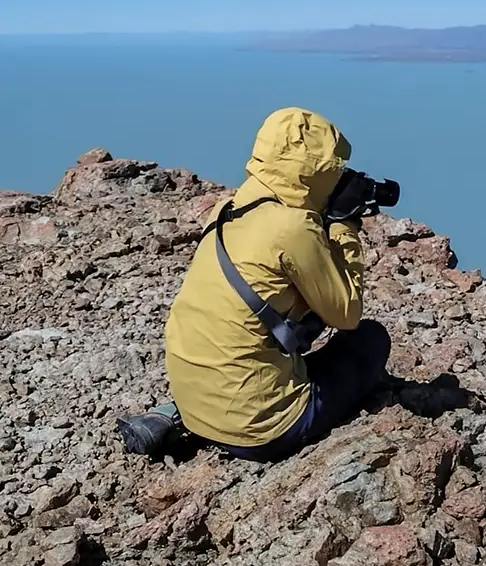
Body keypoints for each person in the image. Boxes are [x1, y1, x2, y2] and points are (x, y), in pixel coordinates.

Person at [117, 107, 391, 460]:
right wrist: (343, 225)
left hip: (193, 399)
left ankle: (178, 415)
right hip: (264, 431)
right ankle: (260, 417)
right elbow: (347, 313)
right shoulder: (292, 228)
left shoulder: (230, 208)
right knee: (369, 339)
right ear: (318, 172)